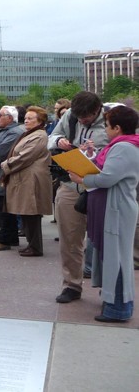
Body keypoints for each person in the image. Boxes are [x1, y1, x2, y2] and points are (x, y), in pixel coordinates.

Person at [70, 105, 139, 322]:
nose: (105, 130)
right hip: (112, 206)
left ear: (117, 128)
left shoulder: (124, 147)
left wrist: (83, 179)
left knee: (117, 257)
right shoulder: (119, 145)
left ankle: (119, 308)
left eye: (107, 126)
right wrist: (90, 157)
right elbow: (106, 170)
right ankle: (115, 302)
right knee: (112, 255)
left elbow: (107, 177)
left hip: (117, 209)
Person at [48, 91, 109, 304]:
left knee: (106, 239)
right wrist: (60, 141)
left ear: (97, 110)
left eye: (87, 118)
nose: (83, 121)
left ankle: (109, 288)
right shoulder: (70, 116)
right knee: (69, 238)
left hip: (102, 188)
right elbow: (51, 138)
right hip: (70, 184)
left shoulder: (113, 119)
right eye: (80, 117)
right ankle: (72, 285)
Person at [0, 106, 53, 257]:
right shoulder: (29, 133)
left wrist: (6, 164)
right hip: (25, 178)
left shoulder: (39, 135)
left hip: (31, 179)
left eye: (31, 118)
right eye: (26, 118)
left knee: (31, 213)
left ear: (40, 121)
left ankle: (35, 246)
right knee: (26, 213)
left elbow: (25, 156)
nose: (26, 120)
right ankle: (32, 244)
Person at [0, 106, 25, 252]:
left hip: (1, 174)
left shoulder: (14, 133)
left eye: (0, 115)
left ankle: (4, 239)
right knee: (1, 206)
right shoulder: (3, 131)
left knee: (3, 208)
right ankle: (11, 237)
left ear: (10, 118)